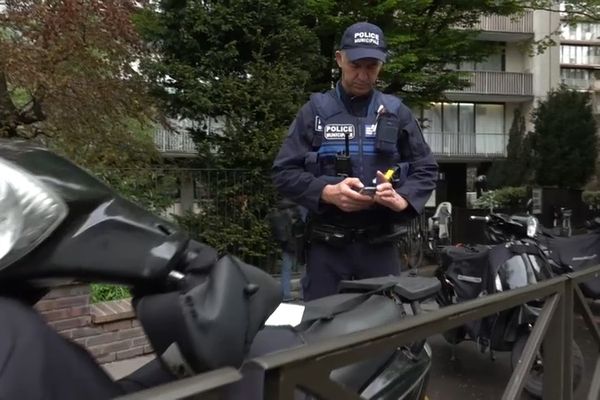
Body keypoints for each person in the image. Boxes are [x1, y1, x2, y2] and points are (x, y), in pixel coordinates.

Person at [271, 21, 438, 301]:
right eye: (355, 64)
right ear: (339, 59)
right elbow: (283, 172)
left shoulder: (397, 113)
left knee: (383, 333)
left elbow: (426, 168)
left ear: (381, 65)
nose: (362, 75)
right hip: (326, 250)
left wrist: (403, 200)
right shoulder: (313, 112)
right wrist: (327, 193)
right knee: (322, 335)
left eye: (371, 66)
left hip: (380, 248)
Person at [267, 198, 306, 301]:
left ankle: (285, 294)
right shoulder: (300, 207)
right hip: (299, 241)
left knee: (286, 268)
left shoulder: (281, 207)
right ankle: (303, 293)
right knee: (304, 268)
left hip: (285, 242)